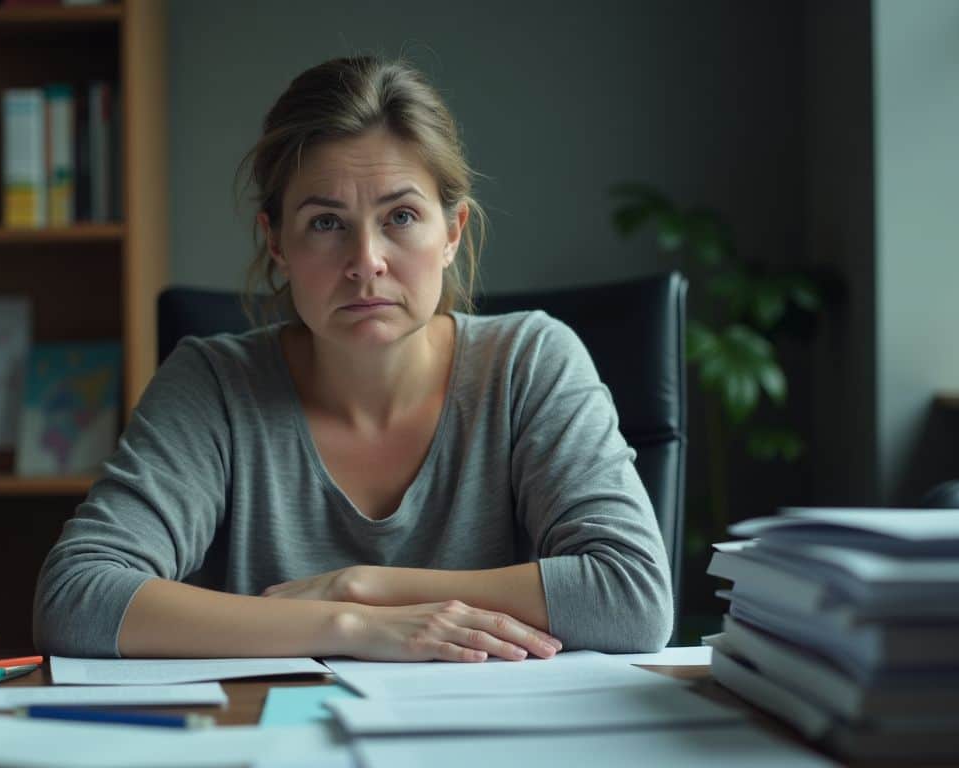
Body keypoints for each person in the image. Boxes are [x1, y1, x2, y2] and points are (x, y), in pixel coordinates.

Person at [34, 56, 672, 662]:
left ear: (451, 232)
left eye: (400, 215)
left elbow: (633, 598)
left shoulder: (530, 361)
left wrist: (361, 586)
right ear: (277, 243)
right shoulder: (214, 385)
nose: (366, 260)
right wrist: (349, 625)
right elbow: (77, 599)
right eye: (325, 223)